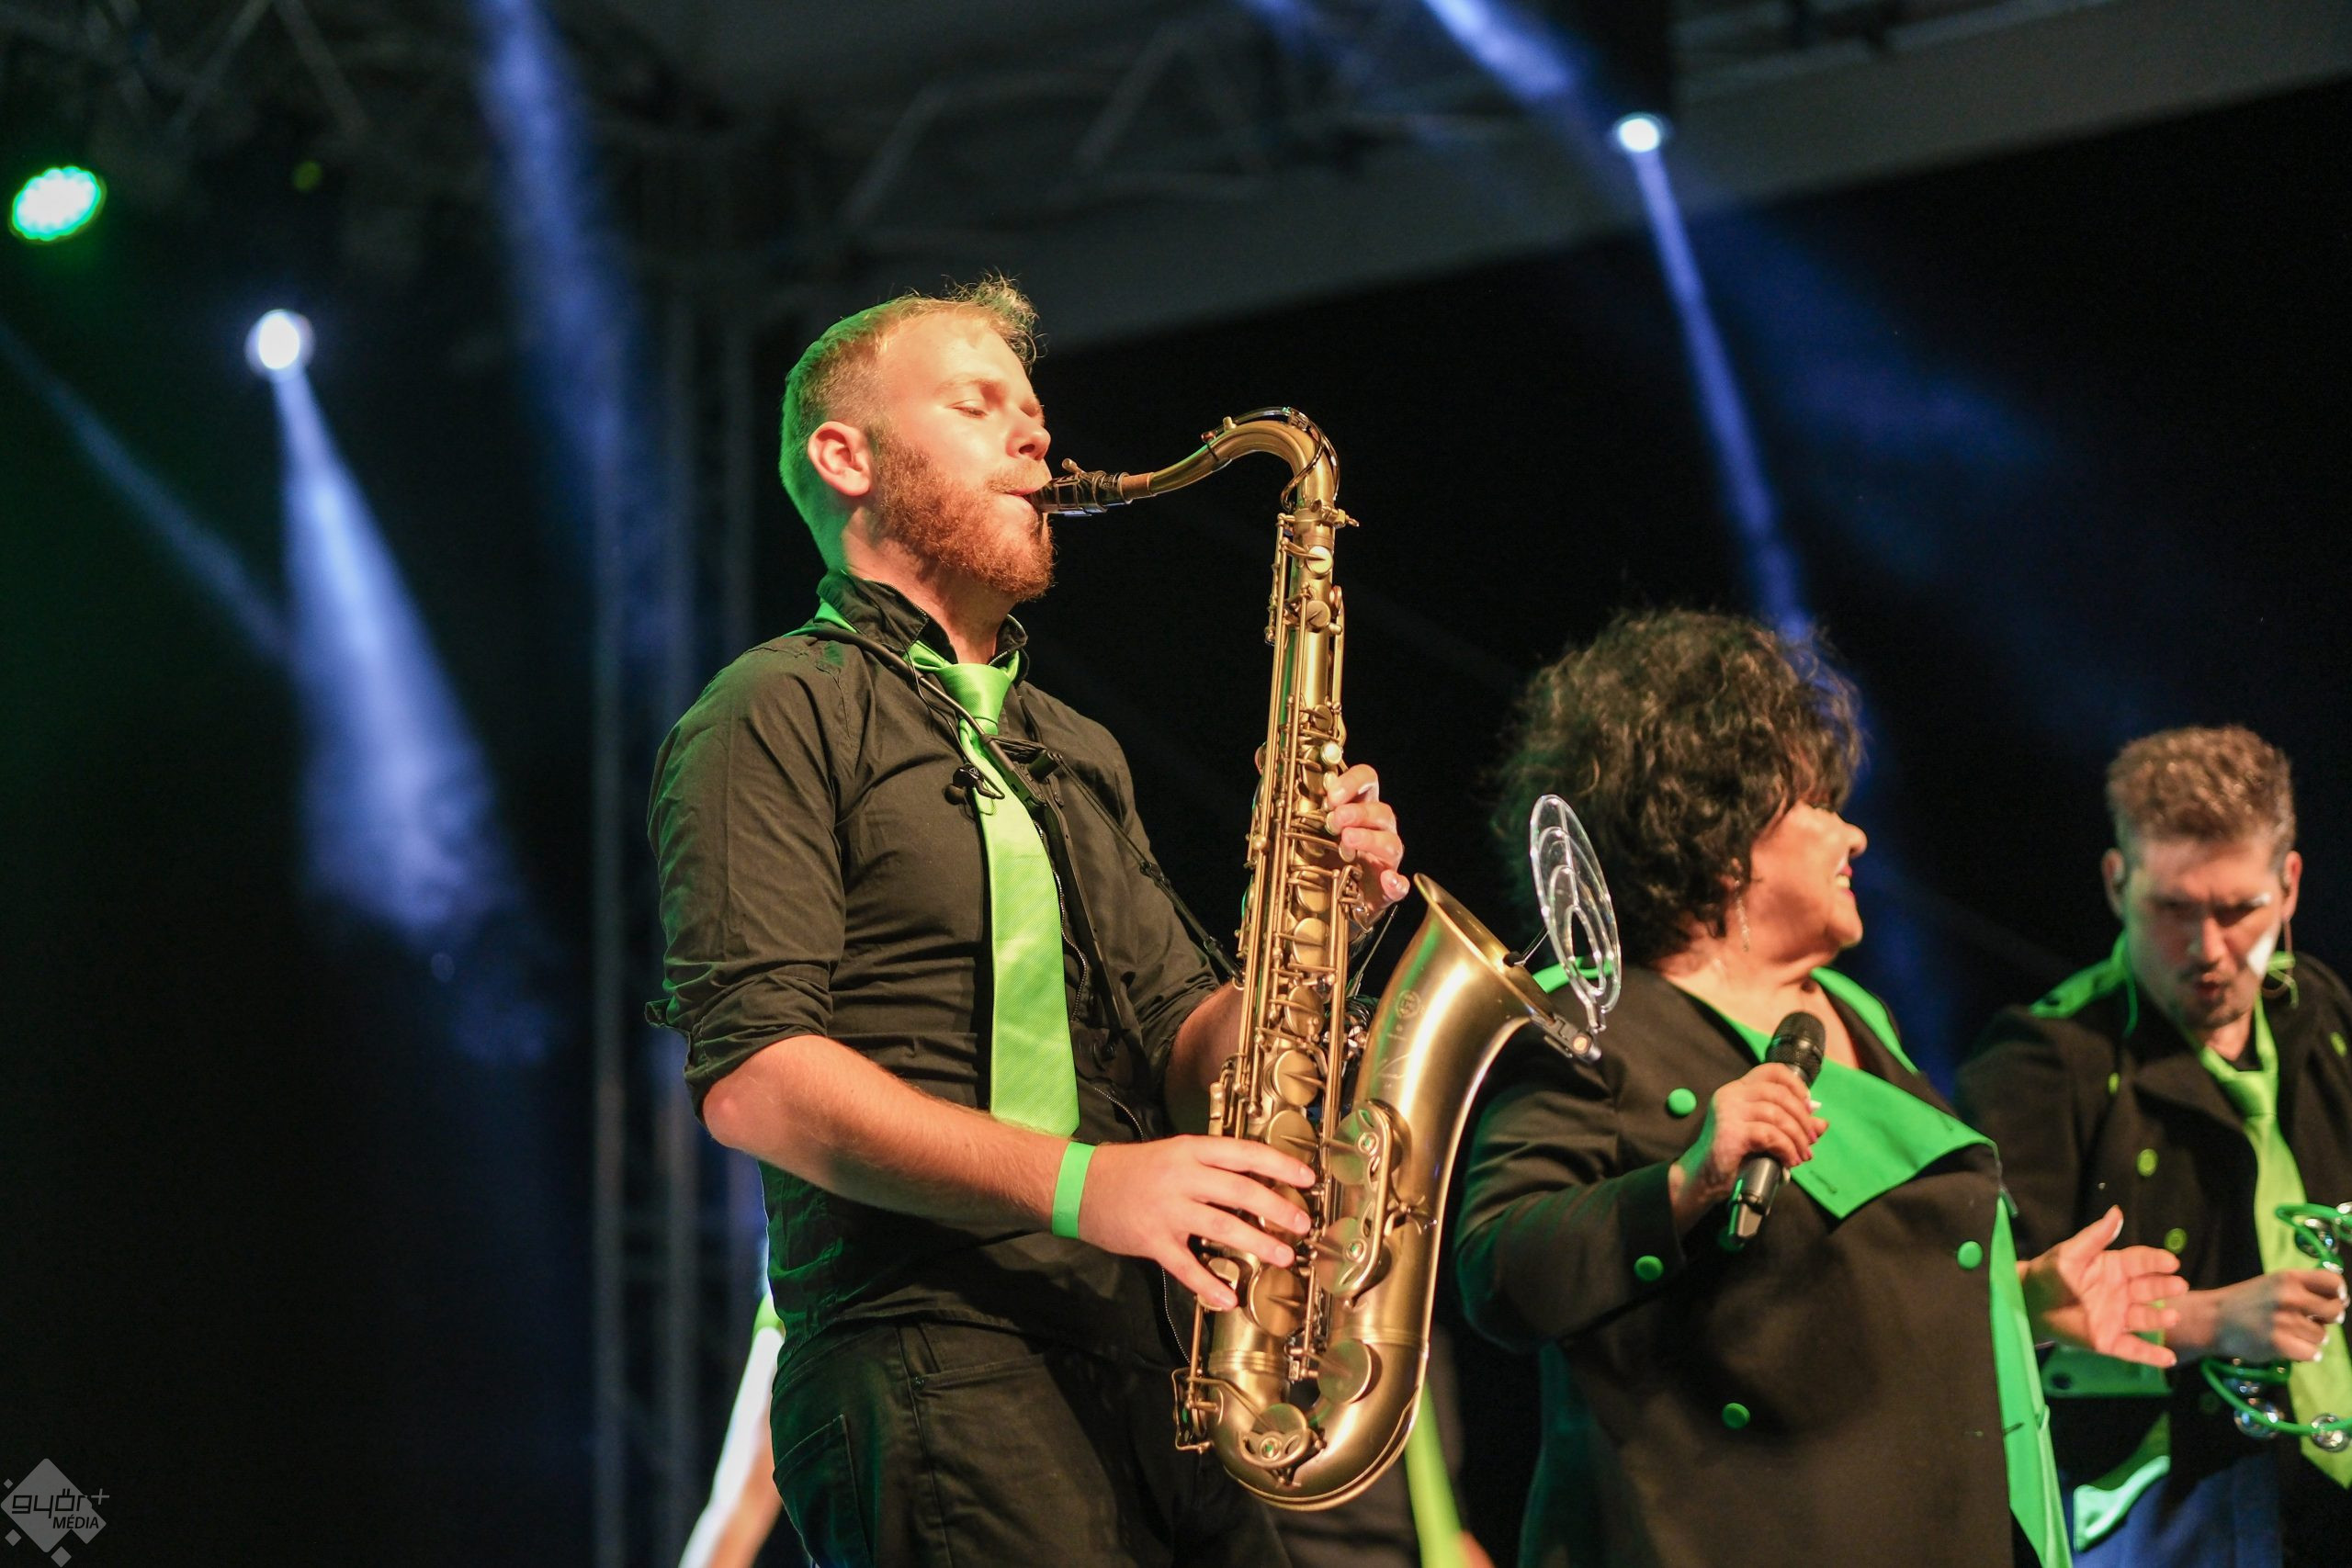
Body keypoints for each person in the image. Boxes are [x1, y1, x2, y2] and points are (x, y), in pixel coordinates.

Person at [647, 277, 1409, 1567]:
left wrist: (1323, 932)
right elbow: (758, 1083)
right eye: (978, 403)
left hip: (1158, 1356)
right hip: (933, 1348)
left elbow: (1185, 1040)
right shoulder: (770, 709)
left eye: (1036, 413)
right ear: (847, 458)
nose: (1036, 437)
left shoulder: (1073, 748)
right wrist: (1083, 1184)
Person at [1454, 608, 2183, 1568]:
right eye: (1816, 805)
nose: (1855, 834)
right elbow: (1499, 1271)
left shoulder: (1854, 1012)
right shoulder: (1592, 1017)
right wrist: (1683, 1186)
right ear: (1722, 834)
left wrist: (2021, 1301)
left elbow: (1850, 1288)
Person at [1956, 726, 2352, 1566]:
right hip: (2172, 1518)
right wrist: (2208, 1320)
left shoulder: (2322, 1012)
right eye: (2173, 909)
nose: (2209, 949)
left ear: (2289, 886)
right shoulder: (2042, 1058)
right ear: (2116, 882)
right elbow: (1978, 1310)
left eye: (2239, 909)